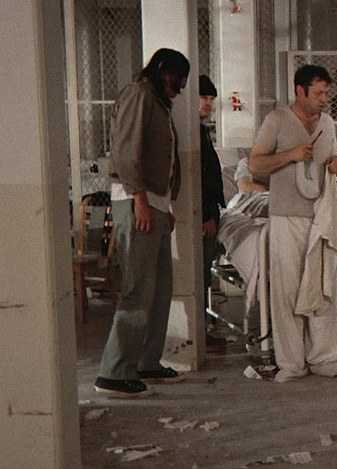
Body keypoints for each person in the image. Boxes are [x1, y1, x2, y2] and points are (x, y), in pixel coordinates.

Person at [95, 48, 190, 398]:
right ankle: (114, 373)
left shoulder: (158, 102)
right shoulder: (139, 95)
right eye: (177, 79)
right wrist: (140, 200)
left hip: (154, 203)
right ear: (162, 70)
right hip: (138, 201)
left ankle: (147, 362)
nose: (180, 88)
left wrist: (164, 206)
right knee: (137, 287)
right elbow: (125, 150)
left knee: (160, 288)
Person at [248, 64, 337, 383]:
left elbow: (335, 157)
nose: (324, 99)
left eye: (326, 93)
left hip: (321, 216)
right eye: (318, 93)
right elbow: (255, 164)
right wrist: (289, 155)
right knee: (287, 291)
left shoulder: (327, 123)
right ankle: (291, 362)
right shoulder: (276, 120)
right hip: (286, 216)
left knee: (323, 287)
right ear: (299, 90)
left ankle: (324, 357)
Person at [197, 75, 228, 354]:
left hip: (209, 212)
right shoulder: (193, 132)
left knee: (204, 273)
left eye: (211, 99)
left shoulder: (200, 130)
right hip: (203, 215)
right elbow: (200, 176)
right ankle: (200, 332)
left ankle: (203, 328)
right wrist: (207, 214)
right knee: (200, 275)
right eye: (204, 98)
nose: (208, 103)